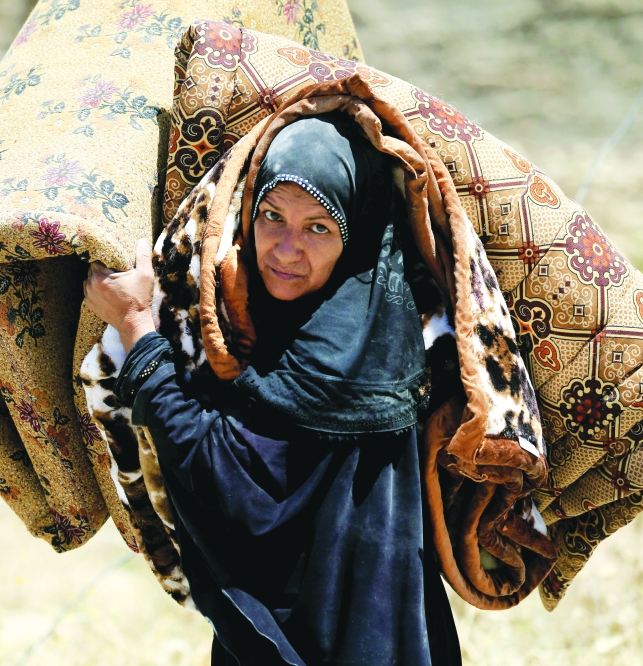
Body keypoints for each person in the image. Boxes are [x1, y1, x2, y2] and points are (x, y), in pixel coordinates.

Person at [84, 115, 462, 665]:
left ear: (353, 233)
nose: (286, 250)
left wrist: (139, 327)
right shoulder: (288, 317)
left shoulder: (351, 347)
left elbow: (226, 477)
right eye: (271, 216)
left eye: (318, 228)